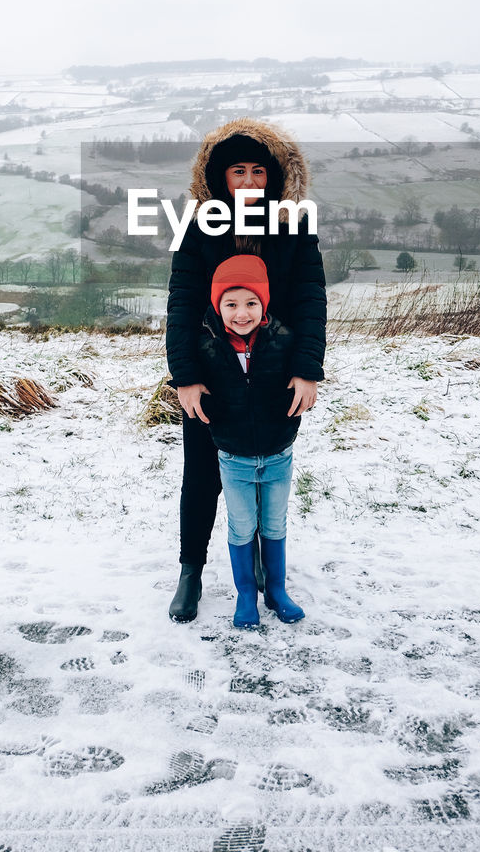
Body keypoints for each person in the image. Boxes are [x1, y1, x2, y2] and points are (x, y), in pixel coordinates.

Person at [166, 118, 326, 622]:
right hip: (212, 376)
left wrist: (307, 369)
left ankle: (263, 571)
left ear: (276, 177)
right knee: (201, 477)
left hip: (274, 374)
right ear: (219, 177)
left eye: (260, 171)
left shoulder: (294, 227)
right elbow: (182, 304)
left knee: (266, 474)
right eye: (239, 171)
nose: (251, 182)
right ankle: (191, 571)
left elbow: (309, 301)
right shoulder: (197, 226)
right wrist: (185, 375)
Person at [200, 253, 306, 627]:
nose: (241, 313)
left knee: (274, 524)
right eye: (230, 304)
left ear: (264, 304)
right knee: (242, 526)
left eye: (250, 303)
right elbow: (190, 377)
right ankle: (246, 595)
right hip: (234, 457)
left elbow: (300, 374)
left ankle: (276, 592)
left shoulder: (283, 340)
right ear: (218, 306)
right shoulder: (208, 345)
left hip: (278, 453)